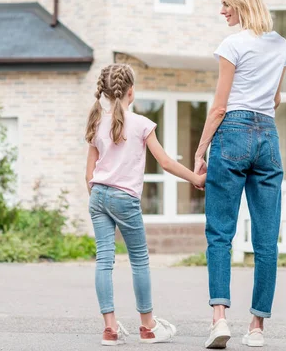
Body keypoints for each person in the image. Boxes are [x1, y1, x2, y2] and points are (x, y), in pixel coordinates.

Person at [193, 0, 286, 349]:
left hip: (233, 133)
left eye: (226, 3)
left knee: (220, 233)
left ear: (241, 3)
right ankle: (257, 326)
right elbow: (273, 102)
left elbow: (221, 106)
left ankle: (219, 319)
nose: (222, 10)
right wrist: (283, 65)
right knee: (266, 238)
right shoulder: (280, 44)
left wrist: (200, 149)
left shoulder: (232, 44)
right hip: (268, 139)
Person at [85, 63, 206, 346]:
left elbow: (88, 174)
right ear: (131, 92)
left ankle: (110, 329)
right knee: (139, 260)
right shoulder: (140, 123)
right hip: (124, 198)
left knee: (104, 260)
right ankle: (148, 326)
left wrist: (96, 198)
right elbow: (164, 162)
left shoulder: (95, 122)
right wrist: (195, 179)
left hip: (98, 194)